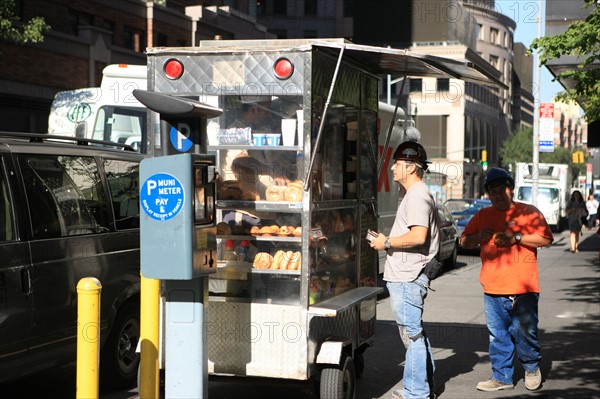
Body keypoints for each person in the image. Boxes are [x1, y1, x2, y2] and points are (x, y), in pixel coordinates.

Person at [460, 167, 553, 392]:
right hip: (493, 288)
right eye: (493, 191)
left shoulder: (529, 212)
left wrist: (517, 237)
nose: (498, 195)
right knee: (498, 336)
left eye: (503, 190)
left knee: (525, 332)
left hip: (524, 288)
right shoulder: (482, 216)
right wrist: (475, 237)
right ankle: (502, 377)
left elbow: (546, 239)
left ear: (511, 190)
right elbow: (463, 241)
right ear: (488, 194)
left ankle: (531, 368)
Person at [369, 141, 438, 399]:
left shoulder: (418, 195)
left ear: (410, 167)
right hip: (407, 276)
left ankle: (417, 392)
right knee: (415, 333)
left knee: (412, 335)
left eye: (397, 164)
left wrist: (385, 242)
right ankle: (423, 387)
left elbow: (418, 236)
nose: (393, 168)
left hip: (408, 277)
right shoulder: (415, 194)